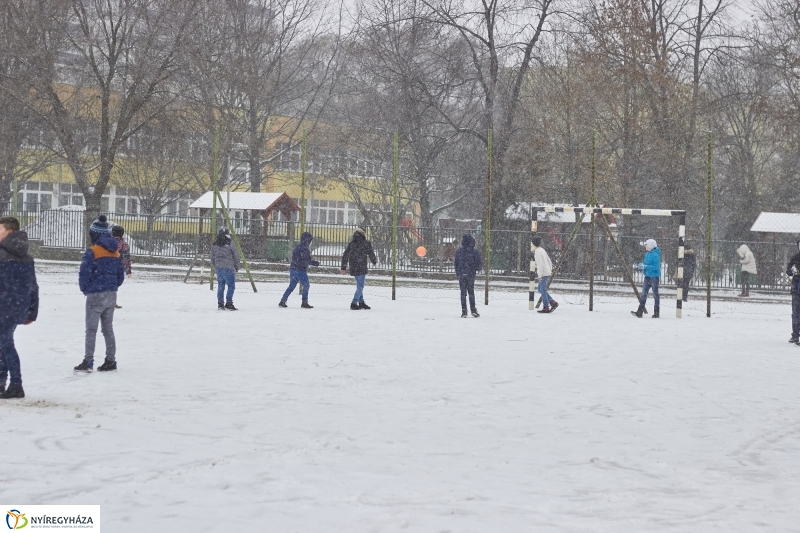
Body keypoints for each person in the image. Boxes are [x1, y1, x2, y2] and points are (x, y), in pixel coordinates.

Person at [75, 215, 125, 373]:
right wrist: (112, 286)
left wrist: (85, 288)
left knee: (91, 329)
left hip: (95, 293)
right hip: (111, 294)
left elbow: (84, 273)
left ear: (94, 234)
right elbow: (120, 275)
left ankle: (88, 360)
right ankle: (111, 360)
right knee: (108, 329)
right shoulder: (115, 252)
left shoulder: (92, 251)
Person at [0, 217, 39, 399]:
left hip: (4, 306)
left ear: (9, 232)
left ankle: (16, 384)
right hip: (16, 307)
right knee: (4, 343)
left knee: (6, 344)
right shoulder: (26, 256)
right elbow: (33, 285)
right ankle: (3, 382)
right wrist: (32, 310)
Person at [279, 231, 319, 309]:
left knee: (291, 286)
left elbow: (300, 259)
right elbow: (306, 260)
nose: (311, 242)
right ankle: (304, 302)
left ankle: (283, 300)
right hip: (300, 271)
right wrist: (315, 263)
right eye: (310, 241)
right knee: (306, 285)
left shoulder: (298, 247)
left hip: (293, 269)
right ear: (307, 241)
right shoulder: (305, 249)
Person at [340, 227, 377, 310]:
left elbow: (345, 255)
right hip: (361, 266)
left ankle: (361, 302)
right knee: (360, 286)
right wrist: (374, 261)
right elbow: (371, 253)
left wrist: (343, 267)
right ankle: (354, 302)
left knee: (359, 285)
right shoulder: (366, 243)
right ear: (363, 234)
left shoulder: (352, 243)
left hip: (353, 266)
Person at [454, 234, 483, 318]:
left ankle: (464, 311)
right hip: (470, 274)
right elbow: (478, 264)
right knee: (471, 292)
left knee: (463, 293)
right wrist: (477, 268)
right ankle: (473, 310)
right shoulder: (474, 252)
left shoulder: (459, 251)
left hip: (462, 274)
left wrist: (458, 273)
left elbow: (456, 264)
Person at [211, 227, 240, 311]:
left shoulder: (215, 244)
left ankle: (220, 304)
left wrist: (215, 266)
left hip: (219, 268)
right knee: (231, 286)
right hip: (229, 267)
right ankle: (229, 303)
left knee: (221, 286)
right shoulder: (230, 242)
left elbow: (212, 257)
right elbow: (236, 255)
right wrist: (237, 266)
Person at [632, 238, 661, 318]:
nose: (645, 246)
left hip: (654, 277)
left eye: (646, 245)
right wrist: (643, 266)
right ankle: (639, 311)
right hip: (647, 276)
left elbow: (656, 267)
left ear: (651, 245)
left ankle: (656, 313)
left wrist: (646, 266)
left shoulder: (655, 255)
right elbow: (647, 264)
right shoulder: (647, 254)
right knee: (643, 294)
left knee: (655, 294)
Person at [531, 235, 559, 314]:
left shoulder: (537, 252)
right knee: (540, 289)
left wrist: (539, 275)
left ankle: (546, 307)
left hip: (543, 273)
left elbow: (539, 264)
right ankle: (553, 302)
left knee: (542, 290)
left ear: (533, 244)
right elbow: (549, 260)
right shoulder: (542, 249)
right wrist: (550, 269)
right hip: (546, 271)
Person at [111, 225, 132, 309]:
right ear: (122, 234)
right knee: (114, 285)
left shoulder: (105, 242)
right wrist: (128, 271)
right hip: (117, 267)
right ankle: (112, 301)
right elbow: (126, 258)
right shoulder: (124, 245)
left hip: (105, 266)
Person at [786, 238, 800, 344]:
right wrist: (793, 271)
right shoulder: (795, 257)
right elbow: (788, 271)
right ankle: (795, 334)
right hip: (796, 289)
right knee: (795, 312)